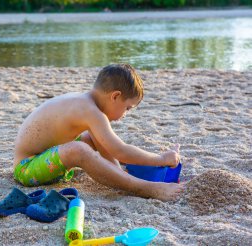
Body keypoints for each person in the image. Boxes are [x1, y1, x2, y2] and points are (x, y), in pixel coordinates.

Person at [13, 64, 184, 201]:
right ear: (115, 96)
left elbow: (108, 145)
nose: (125, 114)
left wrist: (117, 170)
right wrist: (161, 159)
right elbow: (121, 151)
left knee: (93, 137)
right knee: (79, 149)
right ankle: (143, 187)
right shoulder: (90, 111)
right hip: (27, 169)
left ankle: (120, 175)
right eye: (127, 108)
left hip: (47, 160)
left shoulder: (84, 101)